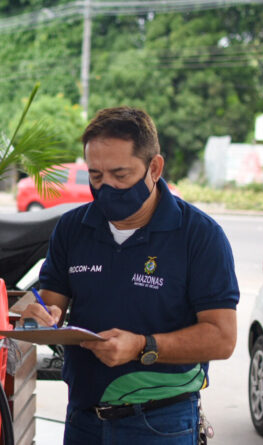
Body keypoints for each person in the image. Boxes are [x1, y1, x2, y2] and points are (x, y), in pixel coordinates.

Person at [20, 106, 239, 444]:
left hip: (160, 421)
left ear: (154, 167)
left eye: (120, 175)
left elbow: (222, 338)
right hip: (83, 417)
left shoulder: (199, 235)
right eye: (95, 176)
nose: (106, 187)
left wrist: (142, 346)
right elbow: (51, 304)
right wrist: (38, 316)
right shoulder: (72, 228)